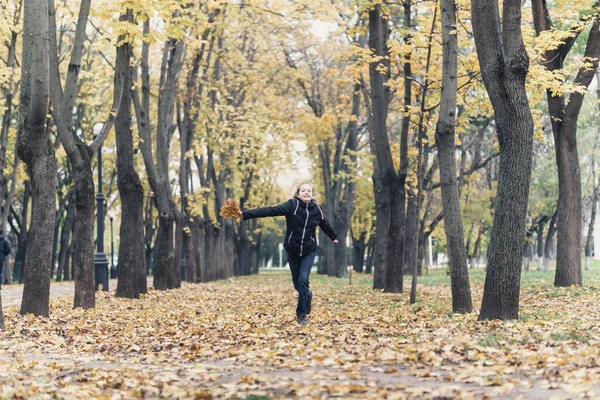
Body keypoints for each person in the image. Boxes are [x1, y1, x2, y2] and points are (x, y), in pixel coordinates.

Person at [238, 182, 338, 325]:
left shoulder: (317, 210)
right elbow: (270, 210)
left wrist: (333, 236)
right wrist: (246, 214)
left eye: (309, 191)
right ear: (298, 194)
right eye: (303, 190)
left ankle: (301, 314)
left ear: (312, 194)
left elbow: (325, 224)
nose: (306, 193)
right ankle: (307, 294)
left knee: (304, 280)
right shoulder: (292, 206)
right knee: (298, 285)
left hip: (309, 251)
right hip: (293, 250)